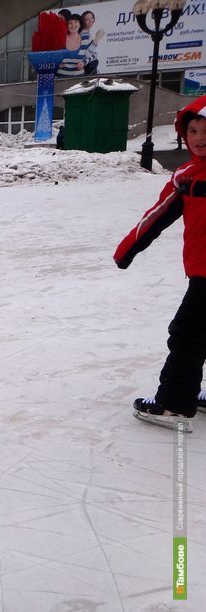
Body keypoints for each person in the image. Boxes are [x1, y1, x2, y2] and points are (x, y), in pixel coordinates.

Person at [113, 95, 206, 433]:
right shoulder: (187, 176)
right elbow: (158, 215)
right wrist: (127, 250)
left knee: (188, 335)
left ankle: (174, 406)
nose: (199, 138)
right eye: (192, 130)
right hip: (202, 270)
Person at [80, 10, 105, 75]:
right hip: (87, 67)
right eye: (87, 19)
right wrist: (97, 38)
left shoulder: (86, 33)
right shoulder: (85, 34)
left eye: (92, 18)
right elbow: (87, 53)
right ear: (83, 22)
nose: (90, 21)